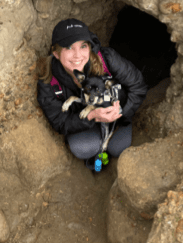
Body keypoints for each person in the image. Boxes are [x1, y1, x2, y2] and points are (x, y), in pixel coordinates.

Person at [37, 18, 147, 168]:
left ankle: (104, 152)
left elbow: (138, 86)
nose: (77, 55)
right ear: (56, 53)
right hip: (83, 121)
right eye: (69, 47)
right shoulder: (49, 81)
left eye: (83, 46)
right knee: (84, 148)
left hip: (117, 116)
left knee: (119, 147)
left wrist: (121, 112)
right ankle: (96, 155)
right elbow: (59, 121)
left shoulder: (107, 58)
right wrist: (91, 116)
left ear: (90, 47)